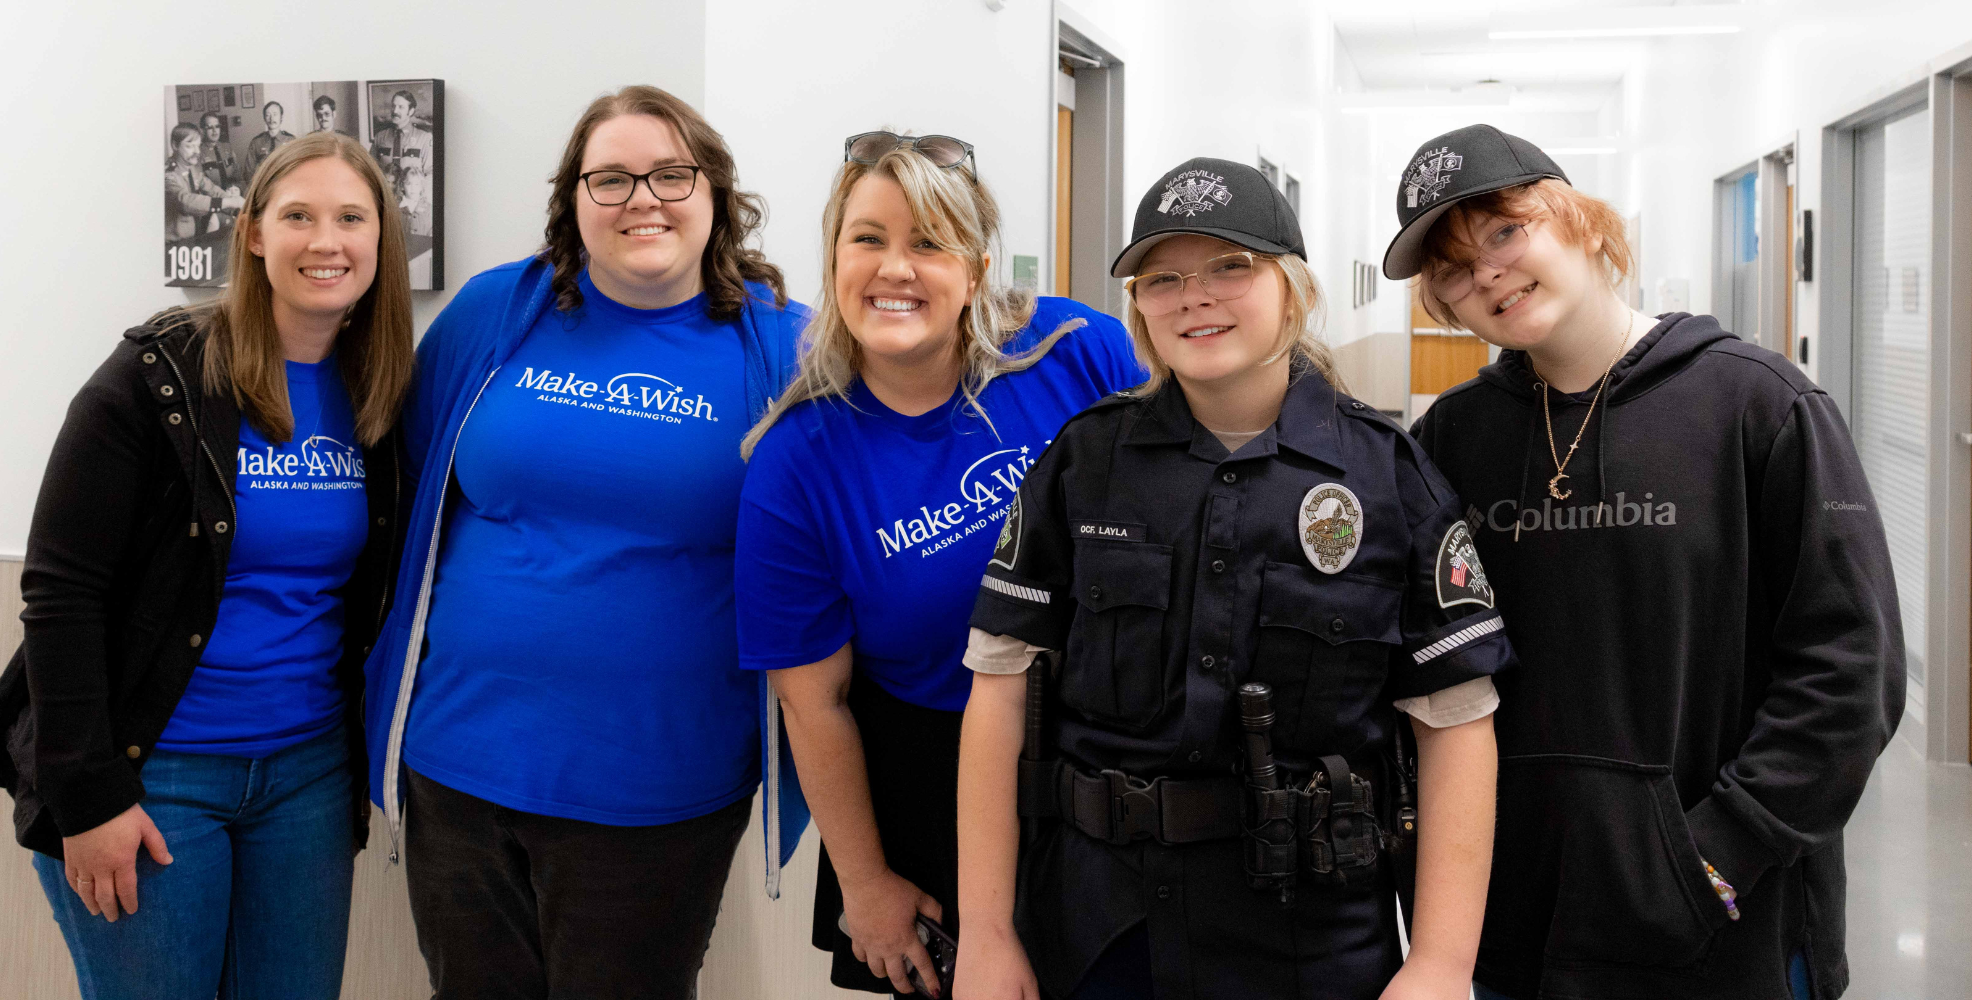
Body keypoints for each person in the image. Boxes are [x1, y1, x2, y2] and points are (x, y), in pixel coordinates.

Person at [955, 157, 1511, 1000]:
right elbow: (998, 692)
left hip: (1311, 938)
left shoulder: (1389, 476)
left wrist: (1440, 963)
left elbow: (1457, 724)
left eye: (1230, 267)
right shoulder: (1085, 462)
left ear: (1292, 288)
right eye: (1163, 277)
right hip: (1104, 927)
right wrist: (988, 933)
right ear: (1139, 305)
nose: (1194, 296)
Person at [1386, 124, 1905, 1000]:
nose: (1487, 275)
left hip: (1724, 919)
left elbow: (1852, 669)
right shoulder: (1452, 437)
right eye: (1452, 269)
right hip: (1519, 920)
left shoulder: (1760, 406)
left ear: (1581, 224)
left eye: (1507, 232)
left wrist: (1716, 857)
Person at [360, 84, 810, 1000]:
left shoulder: (785, 351)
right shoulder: (494, 314)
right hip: (457, 765)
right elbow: (399, 483)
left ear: (715, 192)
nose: (642, 199)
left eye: (670, 175)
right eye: (610, 179)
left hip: (659, 788)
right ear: (574, 201)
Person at [1, 131, 415, 1000]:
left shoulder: (382, 391)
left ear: (384, 240)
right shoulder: (157, 378)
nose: (326, 240)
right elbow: (59, 593)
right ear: (253, 234)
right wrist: (90, 797)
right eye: (297, 215)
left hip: (306, 775)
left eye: (351, 217)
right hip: (154, 775)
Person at [736, 131, 1145, 999]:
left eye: (929, 242)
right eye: (869, 239)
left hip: (1118, 751)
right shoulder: (797, 461)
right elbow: (814, 706)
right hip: (929, 783)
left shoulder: (1080, 353)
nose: (896, 268)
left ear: (977, 268)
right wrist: (867, 884)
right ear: (834, 257)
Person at [165, 123, 242, 241]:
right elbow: (185, 201)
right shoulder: (167, 174)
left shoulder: (193, 169)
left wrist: (238, 208)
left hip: (193, 239)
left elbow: (212, 190)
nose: (197, 151)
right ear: (175, 145)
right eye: (190, 146)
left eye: (198, 145)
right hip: (174, 245)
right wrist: (228, 202)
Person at [370, 89, 433, 202]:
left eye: (401, 107)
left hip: (412, 201)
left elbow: (430, 173)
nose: (395, 111)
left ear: (411, 111)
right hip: (385, 200)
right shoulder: (380, 137)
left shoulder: (424, 138)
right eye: (393, 106)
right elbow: (370, 169)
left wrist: (423, 200)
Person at [245, 101, 295, 182]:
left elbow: (297, 168)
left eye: (275, 114)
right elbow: (248, 172)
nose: (272, 119)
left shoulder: (291, 140)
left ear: (281, 117)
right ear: (264, 118)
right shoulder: (256, 142)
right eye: (268, 115)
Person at [198, 112, 242, 193]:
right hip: (212, 200)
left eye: (217, 126)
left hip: (232, 195)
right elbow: (200, 184)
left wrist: (237, 188)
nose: (215, 131)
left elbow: (237, 174)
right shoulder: (198, 152)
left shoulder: (228, 148)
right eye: (210, 127)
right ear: (202, 131)